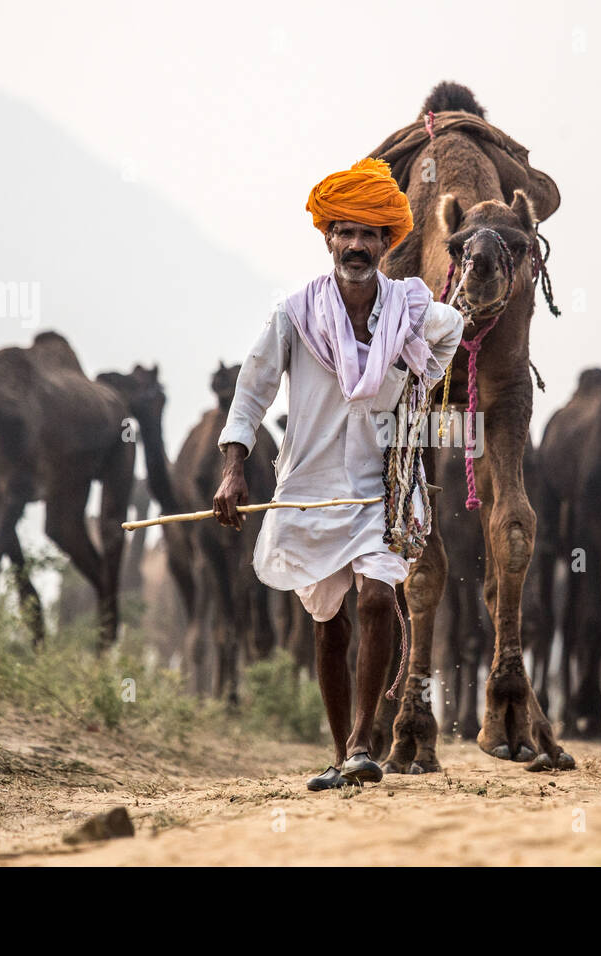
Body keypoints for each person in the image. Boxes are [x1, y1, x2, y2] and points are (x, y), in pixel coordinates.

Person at [213, 158, 463, 790]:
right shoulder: (295, 314)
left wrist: (414, 379)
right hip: (309, 491)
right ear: (328, 237)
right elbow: (253, 391)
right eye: (344, 232)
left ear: (387, 243)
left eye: (368, 234)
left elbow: (451, 330)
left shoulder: (410, 310)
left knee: (379, 598)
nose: (355, 244)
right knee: (329, 624)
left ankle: (361, 741)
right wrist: (233, 468)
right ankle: (339, 751)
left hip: (381, 488)